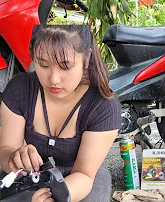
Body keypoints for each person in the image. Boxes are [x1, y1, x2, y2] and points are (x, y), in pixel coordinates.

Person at [0, 25, 121, 201]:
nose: (53, 79)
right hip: (27, 176)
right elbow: (5, 150)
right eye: (43, 65)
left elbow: (84, 174)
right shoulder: (20, 90)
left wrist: (58, 195)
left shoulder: (103, 106)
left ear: (86, 59)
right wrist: (14, 158)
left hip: (80, 178)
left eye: (65, 66)